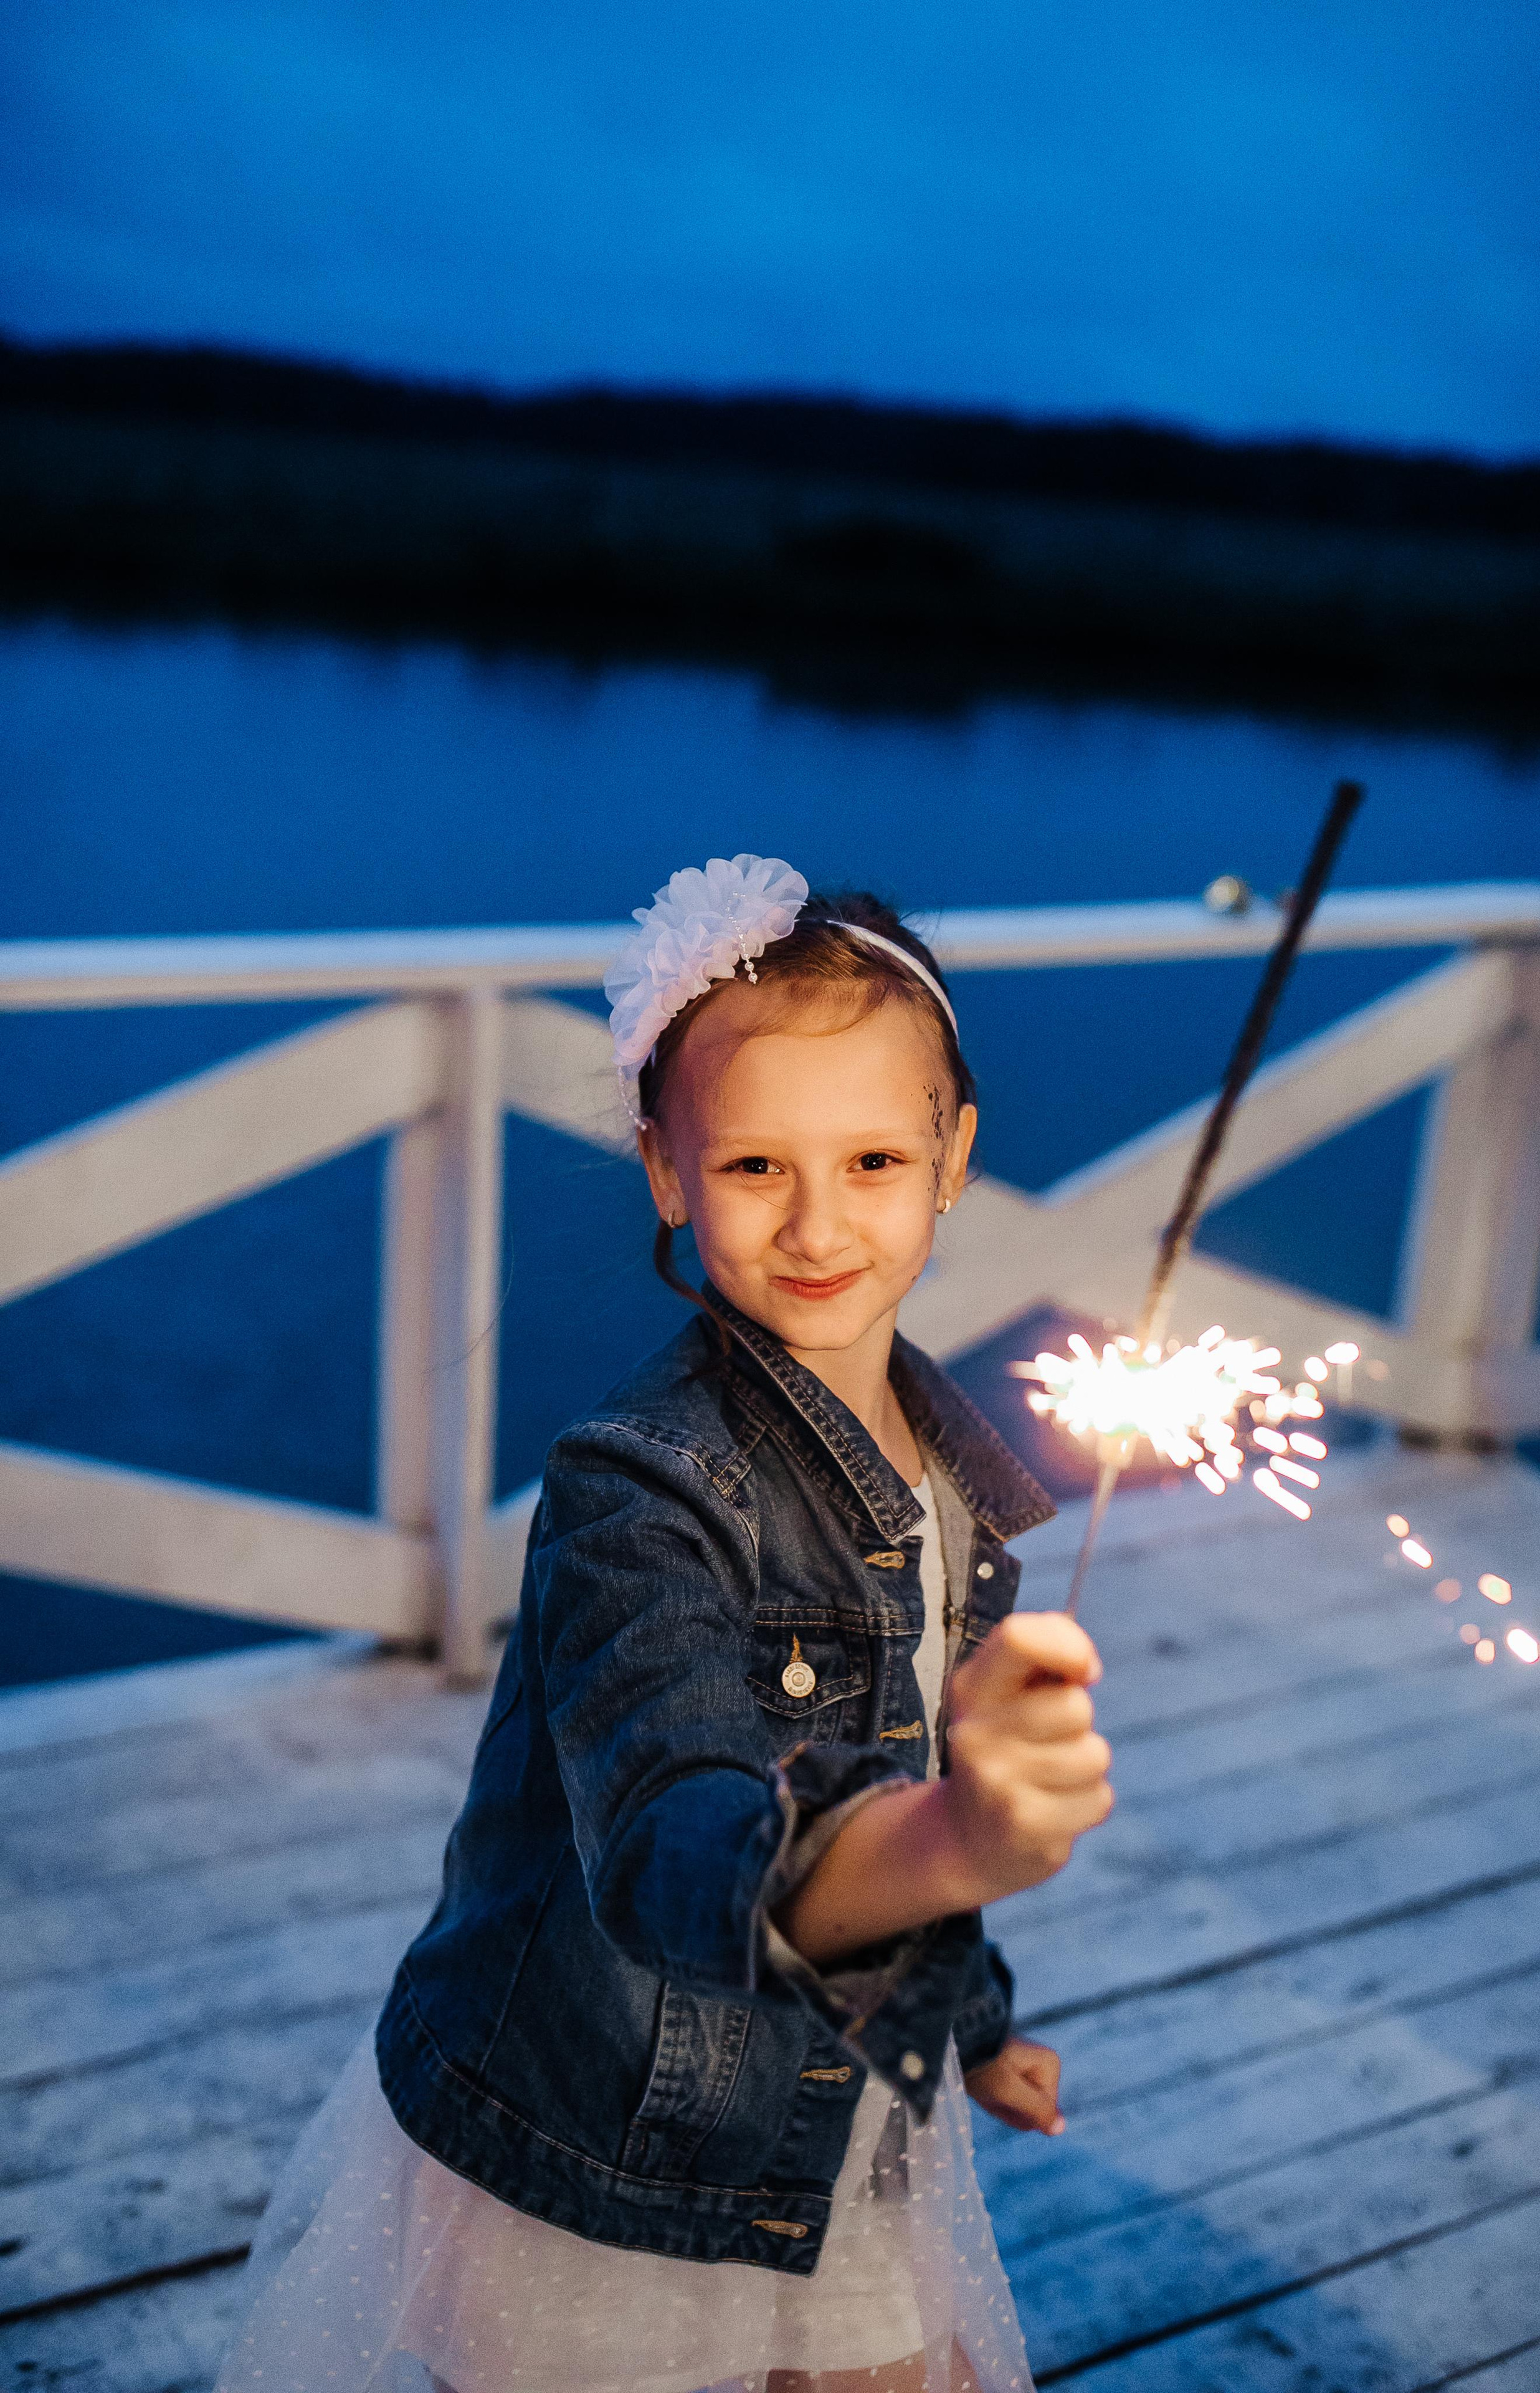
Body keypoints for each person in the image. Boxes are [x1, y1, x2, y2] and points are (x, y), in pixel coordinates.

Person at [214, 856, 1114, 2393]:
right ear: (665, 1171)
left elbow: (893, 1763)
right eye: (755, 1165)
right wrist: (961, 1839)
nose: (817, 1224)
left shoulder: (952, 1482)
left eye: (873, 1161)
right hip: (615, 2143)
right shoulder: (635, 1489)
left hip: (839, 2115)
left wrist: (970, 2026)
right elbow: (670, 1834)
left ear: (953, 1155)